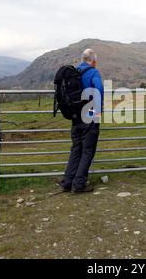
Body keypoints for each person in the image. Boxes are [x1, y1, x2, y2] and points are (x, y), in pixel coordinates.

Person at [58, 48, 104, 193]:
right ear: (94, 61)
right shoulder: (93, 72)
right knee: (88, 150)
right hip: (89, 115)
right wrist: (98, 111)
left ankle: (67, 181)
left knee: (76, 148)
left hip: (75, 116)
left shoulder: (75, 72)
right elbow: (99, 90)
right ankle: (79, 184)